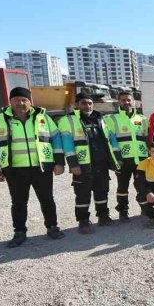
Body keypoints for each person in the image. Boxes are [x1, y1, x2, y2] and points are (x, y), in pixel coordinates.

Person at [0, 87, 66, 247]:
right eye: (16, 100)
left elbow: (56, 139)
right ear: (10, 101)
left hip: (41, 167)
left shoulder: (43, 117)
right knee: (18, 202)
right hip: (14, 169)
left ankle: (52, 227)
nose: (20, 103)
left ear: (30, 102)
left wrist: (59, 162)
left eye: (24, 100)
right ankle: (19, 232)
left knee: (47, 199)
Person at [58, 92, 122, 233]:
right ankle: (83, 221)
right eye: (83, 103)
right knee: (82, 193)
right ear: (77, 104)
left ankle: (103, 216)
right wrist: (73, 164)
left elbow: (111, 139)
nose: (87, 106)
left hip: (101, 162)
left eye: (90, 103)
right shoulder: (68, 120)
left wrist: (116, 159)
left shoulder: (102, 118)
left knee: (102, 191)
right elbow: (67, 145)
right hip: (82, 164)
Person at [106, 90, 149, 221]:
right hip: (123, 160)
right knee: (122, 187)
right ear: (119, 102)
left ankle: (145, 208)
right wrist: (116, 159)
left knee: (142, 185)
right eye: (123, 100)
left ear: (133, 101)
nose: (127, 102)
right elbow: (111, 141)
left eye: (129, 100)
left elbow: (147, 139)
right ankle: (123, 211)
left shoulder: (142, 119)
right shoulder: (111, 119)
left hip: (141, 160)